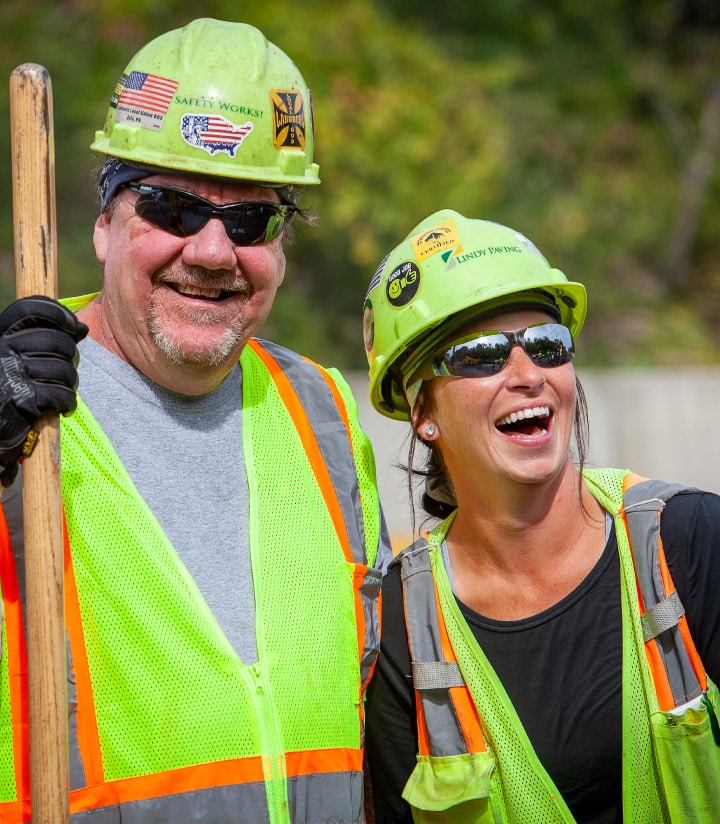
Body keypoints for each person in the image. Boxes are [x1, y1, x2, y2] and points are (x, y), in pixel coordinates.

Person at [0, 18, 391, 823]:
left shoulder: (320, 411)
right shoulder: (19, 402)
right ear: (105, 223)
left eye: (252, 221)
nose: (214, 251)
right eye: (174, 208)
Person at [361, 209, 720, 823]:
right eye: (479, 356)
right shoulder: (399, 627)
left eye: (548, 346)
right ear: (425, 413)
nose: (528, 376)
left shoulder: (688, 541)